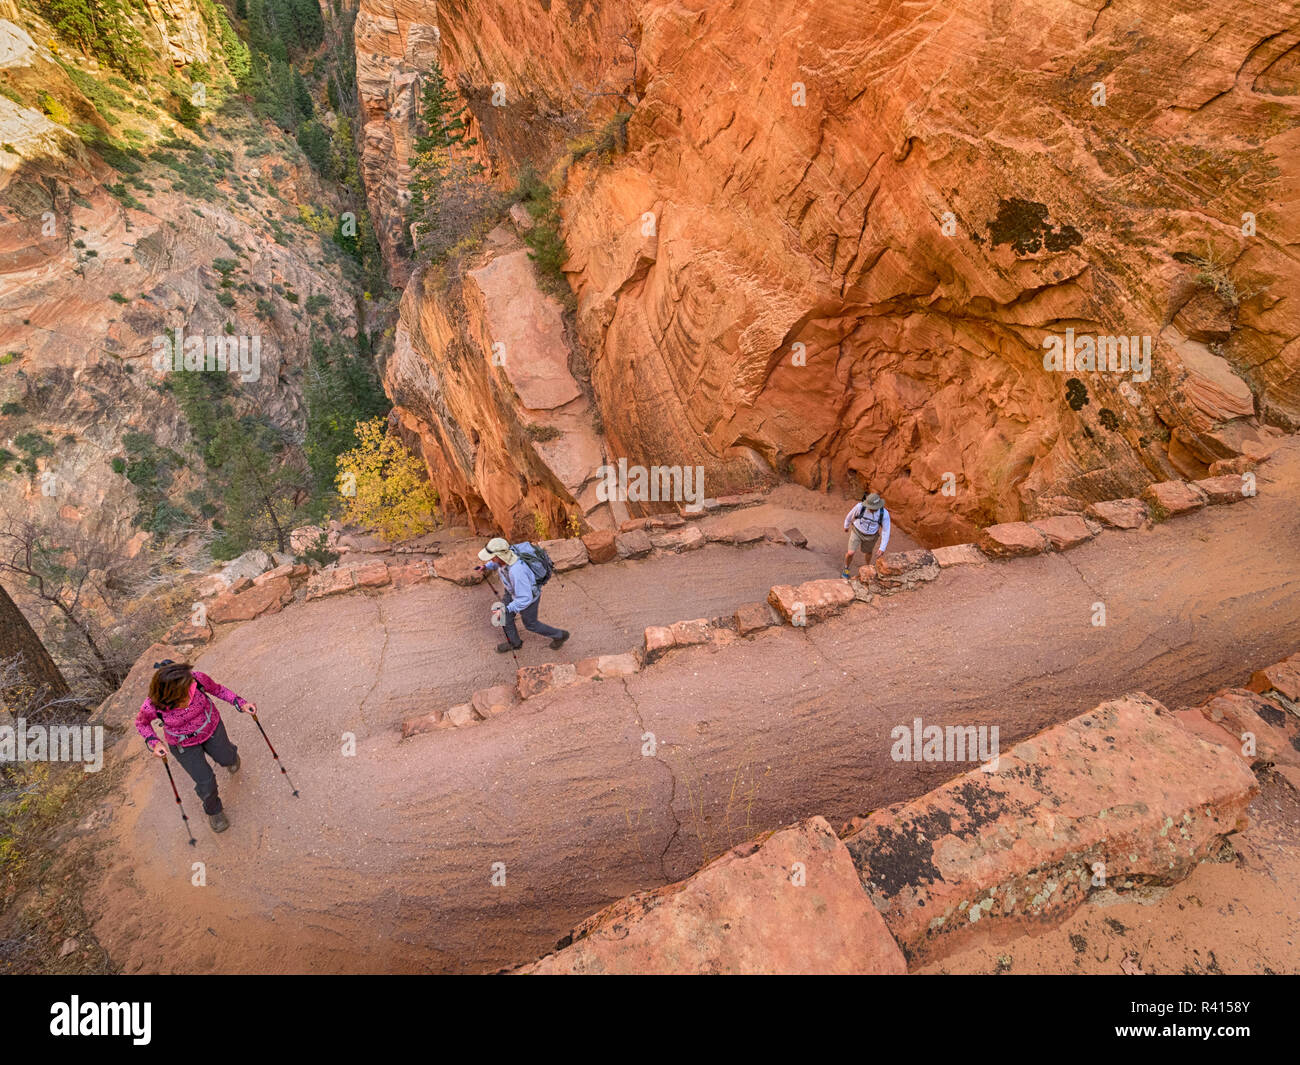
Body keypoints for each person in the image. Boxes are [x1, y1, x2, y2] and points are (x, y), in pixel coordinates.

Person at [135, 660, 256, 833]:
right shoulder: (153, 705)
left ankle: (230, 756)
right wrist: (154, 743)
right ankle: (214, 810)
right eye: (183, 695)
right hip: (182, 745)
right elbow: (141, 723)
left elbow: (218, 689)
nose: (189, 695)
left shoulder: (196, 679)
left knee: (226, 757)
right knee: (206, 781)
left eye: (190, 689)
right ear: (168, 695)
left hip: (212, 727)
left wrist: (240, 703)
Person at [476, 537, 571, 654]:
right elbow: (497, 564)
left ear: (499, 556)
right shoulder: (507, 555)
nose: (491, 559)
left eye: (492, 557)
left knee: (531, 624)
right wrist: (487, 567)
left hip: (528, 598)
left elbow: (525, 598)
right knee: (504, 617)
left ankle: (560, 635)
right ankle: (515, 643)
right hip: (512, 591)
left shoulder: (517, 571)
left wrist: (507, 608)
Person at [842, 491, 890, 577]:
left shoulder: (884, 514)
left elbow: (886, 530)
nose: (870, 509)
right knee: (850, 553)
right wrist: (846, 525)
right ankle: (846, 569)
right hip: (857, 531)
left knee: (868, 552)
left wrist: (882, 547)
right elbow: (849, 516)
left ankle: (867, 566)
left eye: (873, 508)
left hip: (871, 536)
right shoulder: (860, 507)